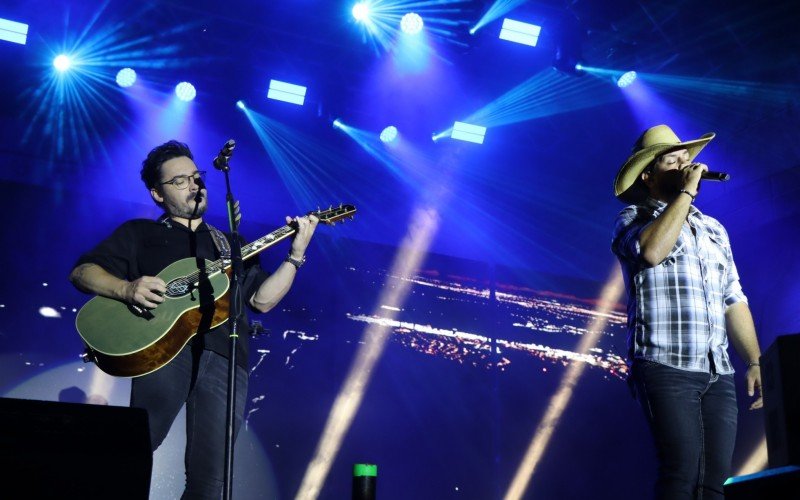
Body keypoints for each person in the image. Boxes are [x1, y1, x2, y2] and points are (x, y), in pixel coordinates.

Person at [69, 140, 318, 499]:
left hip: (225, 358)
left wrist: (295, 255)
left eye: (197, 177)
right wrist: (126, 289)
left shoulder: (229, 244)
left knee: (211, 479)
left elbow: (261, 301)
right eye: (180, 180)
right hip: (162, 352)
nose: (195, 185)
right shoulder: (140, 233)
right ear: (158, 194)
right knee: (132, 452)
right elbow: (82, 272)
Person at [610, 124, 763, 499]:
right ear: (649, 175)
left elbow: (733, 296)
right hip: (665, 363)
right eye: (672, 158)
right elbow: (651, 252)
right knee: (681, 472)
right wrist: (687, 192)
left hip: (717, 369)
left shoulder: (713, 229)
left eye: (686, 157)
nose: (685, 162)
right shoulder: (634, 218)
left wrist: (756, 361)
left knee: (714, 483)